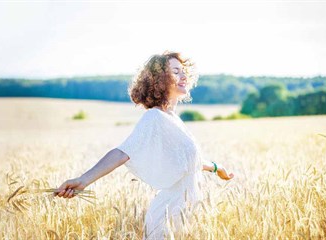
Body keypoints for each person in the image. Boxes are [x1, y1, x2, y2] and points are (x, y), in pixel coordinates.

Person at [54, 51, 234, 239]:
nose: (183, 76)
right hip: (167, 218)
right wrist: (83, 180)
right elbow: (123, 152)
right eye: (175, 71)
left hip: (186, 215)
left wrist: (216, 168)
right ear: (159, 80)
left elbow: (188, 163)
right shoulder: (154, 117)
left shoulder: (171, 119)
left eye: (183, 71)